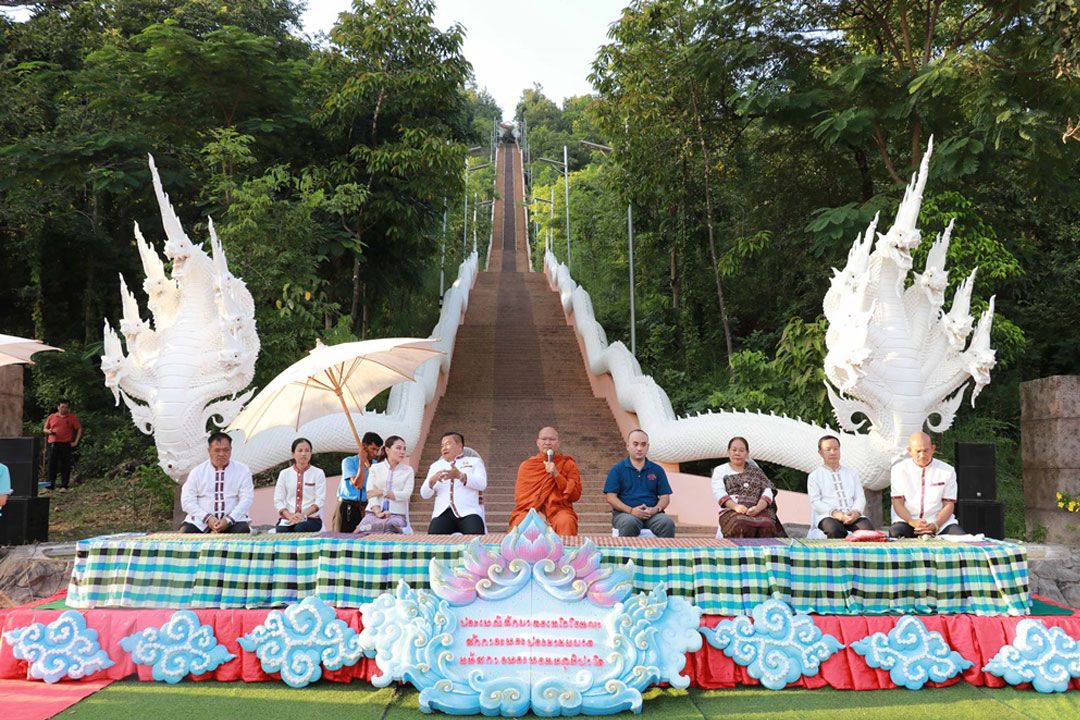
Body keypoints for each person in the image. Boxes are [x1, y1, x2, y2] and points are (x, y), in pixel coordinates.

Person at [890, 431, 966, 538]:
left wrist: (936, 524)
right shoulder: (898, 470)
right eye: (918, 451)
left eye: (926, 450)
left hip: (940, 523)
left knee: (961, 538)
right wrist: (912, 521)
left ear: (933, 448)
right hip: (907, 521)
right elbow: (897, 502)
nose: (922, 455)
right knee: (896, 534)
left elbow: (948, 504)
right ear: (909, 451)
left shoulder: (947, 471)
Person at [508, 426, 582, 535]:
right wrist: (536, 514)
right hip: (530, 511)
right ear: (538, 442)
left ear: (558, 443)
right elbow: (521, 498)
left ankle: (566, 552)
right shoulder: (527, 466)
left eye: (552, 439)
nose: (548, 442)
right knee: (520, 522)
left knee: (566, 521)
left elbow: (575, 495)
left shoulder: (568, 464)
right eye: (544, 439)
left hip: (558, 510)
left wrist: (556, 474)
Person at [604, 429, 676, 538]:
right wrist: (631, 510)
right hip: (625, 514)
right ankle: (627, 555)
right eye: (635, 444)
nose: (639, 448)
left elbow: (665, 497)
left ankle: (664, 555)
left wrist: (655, 509)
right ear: (628, 446)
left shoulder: (657, 470)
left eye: (643, 445)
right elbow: (610, 497)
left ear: (648, 447)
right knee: (629, 523)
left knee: (667, 523)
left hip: (652, 514)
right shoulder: (617, 469)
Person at [711, 436, 787, 538]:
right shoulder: (720, 470)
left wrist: (758, 508)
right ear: (728, 452)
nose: (737, 453)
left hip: (757, 511)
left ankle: (764, 554)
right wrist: (736, 507)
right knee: (741, 523)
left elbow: (768, 490)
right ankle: (741, 553)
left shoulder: (756, 471)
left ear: (747, 453)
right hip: (731, 511)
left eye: (741, 450)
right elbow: (719, 493)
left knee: (767, 525)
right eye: (734, 450)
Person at [179, 431, 253, 534]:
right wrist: (208, 518)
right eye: (217, 450)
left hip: (234, 520)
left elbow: (246, 499)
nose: (221, 454)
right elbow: (187, 501)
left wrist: (228, 520)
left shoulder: (243, 470)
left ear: (231, 450)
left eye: (226, 450)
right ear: (209, 451)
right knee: (185, 533)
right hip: (200, 521)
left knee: (243, 531)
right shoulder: (197, 472)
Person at [807, 435, 875, 539]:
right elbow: (815, 502)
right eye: (828, 449)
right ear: (820, 453)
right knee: (835, 530)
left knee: (868, 529)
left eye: (836, 449)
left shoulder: (852, 473)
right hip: (827, 516)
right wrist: (836, 514)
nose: (832, 452)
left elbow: (860, 497)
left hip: (852, 514)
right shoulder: (814, 476)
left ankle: (860, 555)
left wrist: (856, 512)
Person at [420, 431, 487, 534]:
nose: (444, 448)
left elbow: (482, 484)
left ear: (459, 446)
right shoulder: (435, 466)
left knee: (476, 536)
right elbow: (424, 494)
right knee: (433, 539)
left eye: (447, 444)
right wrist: (432, 480)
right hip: (442, 513)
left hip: (468, 511)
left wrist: (461, 476)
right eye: (442, 445)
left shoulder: (474, 462)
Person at [356, 435, 414, 533]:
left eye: (404, 449)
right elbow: (370, 494)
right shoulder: (375, 468)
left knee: (390, 527)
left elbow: (406, 494)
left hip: (397, 514)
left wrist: (383, 492)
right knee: (362, 529)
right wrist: (378, 512)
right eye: (398, 448)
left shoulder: (408, 470)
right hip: (373, 512)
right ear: (387, 450)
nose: (402, 452)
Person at [273, 438, 326, 533]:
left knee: (300, 528)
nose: (304, 454)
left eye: (307, 450)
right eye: (300, 450)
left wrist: (303, 515)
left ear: (311, 453)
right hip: (288, 519)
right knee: (281, 530)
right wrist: (290, 516)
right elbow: (278, 500)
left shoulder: (318, 473)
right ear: (293, 454)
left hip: (310, 519)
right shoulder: (284, 473)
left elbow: (320, 500)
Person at [337, 431, 383, 532]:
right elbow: (358, 484)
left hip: (367, 508)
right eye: (373, 449)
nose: (375, 453)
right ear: (363, 447)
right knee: (345, 542)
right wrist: (361, 463)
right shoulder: (348, 461)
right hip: (349, 508)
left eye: (377, 450)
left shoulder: (376, 465)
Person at [43, 398, 82, 490]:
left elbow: (79, 428)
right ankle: (50, 485)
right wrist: (49, 432)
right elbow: (44, 429)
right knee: (52, 464)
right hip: (53, 442)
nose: (64, 409)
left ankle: (64, 485)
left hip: (65, 443)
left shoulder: (72, 417)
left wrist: (75, 442)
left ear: (69, 408)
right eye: (62, 407)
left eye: (66, 407)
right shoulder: (52, 417)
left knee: (65, 464)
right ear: (58, 407)